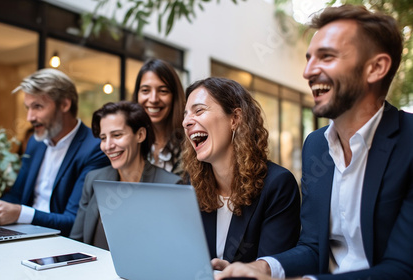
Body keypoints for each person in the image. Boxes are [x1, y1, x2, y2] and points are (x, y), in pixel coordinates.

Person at [216, 5, 413, 280]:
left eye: (327, 57)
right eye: (309, 59)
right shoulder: (316, 146)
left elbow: (403, 269)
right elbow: (313, 247)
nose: (308, 71)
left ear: (376, 68)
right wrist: (260, 268)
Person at [0, 68, 110, 236]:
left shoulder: (94, 148)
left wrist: (20, 213)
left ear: (65, 104)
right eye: (28, 108)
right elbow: (17, 196)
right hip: (22, 232)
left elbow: (75, 221)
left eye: (37, 107)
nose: (30, 117)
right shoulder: (35, 143)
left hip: (61, 243)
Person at [182, 77, 300, 265]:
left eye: (199, 111)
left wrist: (235, 274)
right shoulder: (192, 185)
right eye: (186, 114)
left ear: (235, 119)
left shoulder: (278, 185)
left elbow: (272, 271)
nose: (186, 122)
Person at [69, 101, 182, 249]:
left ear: (140, 135)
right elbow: (76, 242)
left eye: (116, 135)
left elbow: (173, 251)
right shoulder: (93, 180)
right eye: (103, 138)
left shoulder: (171, 186)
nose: (108, 146)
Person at [132, 58, 186, 176]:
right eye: (145, 90)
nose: (153, 99)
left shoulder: (190, 145)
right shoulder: (130, 142)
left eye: (163, 91)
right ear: (137, 95)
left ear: (175, 97)